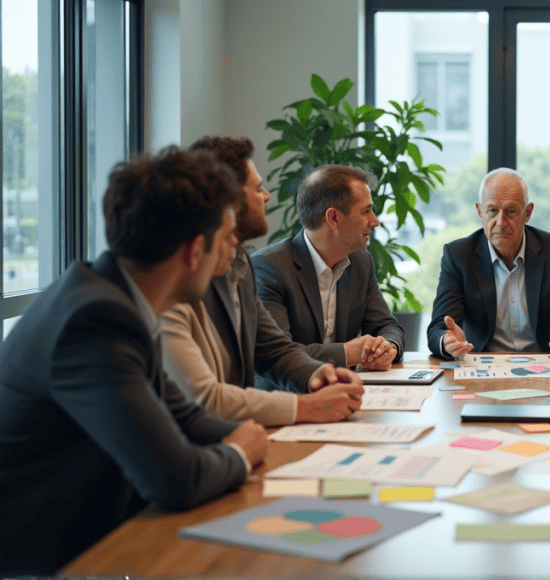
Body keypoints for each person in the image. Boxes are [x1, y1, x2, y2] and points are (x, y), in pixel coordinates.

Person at [0, 147, 268, 574]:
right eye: (226, 237)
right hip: (48, 558)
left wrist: (248, 436)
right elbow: (176, 480)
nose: (235, 246)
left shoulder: (114, 296)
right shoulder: (96, 321)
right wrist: (238, 452)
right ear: (194, 250)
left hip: (96, 533)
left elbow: (183, 416)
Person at [158, 136, 363, 426]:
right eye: (257, 188)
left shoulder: (240, 264)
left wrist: (319, 375)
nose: (267, 196)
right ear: (228, 200)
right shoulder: (179, 282)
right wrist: (304, 407)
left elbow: (271, 347)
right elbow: (204, 398)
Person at [427, 167, 550, 359]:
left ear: (528, 212)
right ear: (480, 211)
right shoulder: (458, 256)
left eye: (511, 211)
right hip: (482, 365)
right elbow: (438, 330)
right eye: (492, 211)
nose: (501, 222)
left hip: (544, 365)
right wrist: (447, 342)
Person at [252, 164, 404, 372]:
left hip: (347, 392)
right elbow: (276, 352)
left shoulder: (361, 262)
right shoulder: (268, 268)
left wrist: (387, 347)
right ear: (333, 218)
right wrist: (348, 352)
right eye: (366, 211)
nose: (375, 221)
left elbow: (386, 325)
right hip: (288, 397)